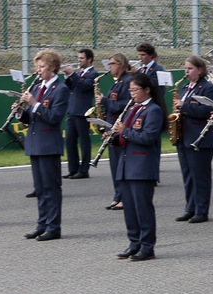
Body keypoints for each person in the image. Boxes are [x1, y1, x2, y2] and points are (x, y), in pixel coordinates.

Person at [113, 72, 163, 260]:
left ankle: (147, 246)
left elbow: (148, 137)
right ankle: (134, 243)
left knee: (143, 208)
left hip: (142, 167)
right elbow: (126, 138)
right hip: (126, 165)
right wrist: (113, 137)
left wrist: (124, 131)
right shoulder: (133, 109)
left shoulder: (153, 110)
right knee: (130, 210)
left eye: (135, 90)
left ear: (146, 90)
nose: (132, 93)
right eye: (130, 90)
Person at [20, 49, 67, 241]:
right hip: (35, 142)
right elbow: (30, 117)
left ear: (53, 67)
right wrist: (20, 110)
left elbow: (55, 118)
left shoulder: (60, 89)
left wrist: (34, 103)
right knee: (40, 188)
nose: (38, 71)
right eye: (37, 67)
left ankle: (53, 227)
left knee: (51, 187)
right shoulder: (38, 87)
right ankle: (42, 223)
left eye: (42, 67)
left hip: (48, 143)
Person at [174, 55, 213, 223]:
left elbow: (208, 111)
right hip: (184, 136)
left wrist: (184, 106)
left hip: (200, 137)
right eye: (185, 68)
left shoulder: (208, 88)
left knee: (200, 176)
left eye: (190, 68)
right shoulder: (185, 87)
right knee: (188, 175)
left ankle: (202, 210)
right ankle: (190, 208)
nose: (186, 71)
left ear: (200, 69)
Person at [100, 54, 133, 211]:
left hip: (120, 128)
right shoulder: (117, 82)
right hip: (111, 127)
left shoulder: (127, 81)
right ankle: (117, 196)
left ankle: (124, 197)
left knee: (121, 164)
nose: (109, 67)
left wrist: (104, 101)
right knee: (114, 164)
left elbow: (124, 106)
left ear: (121, 64)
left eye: (112, 64)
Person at [63, 48, 98, 179]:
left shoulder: (93, 73)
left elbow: (84, 87)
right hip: (72, 110)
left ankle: (84, 170)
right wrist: (67, 75)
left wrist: (73, 74)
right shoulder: (79, 73)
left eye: (82, 58)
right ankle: (73, 169)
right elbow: (70, 87)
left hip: (83, 111)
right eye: (78, 58)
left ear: (89, 59)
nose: (79, 60)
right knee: (69, 140)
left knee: (84, 142)